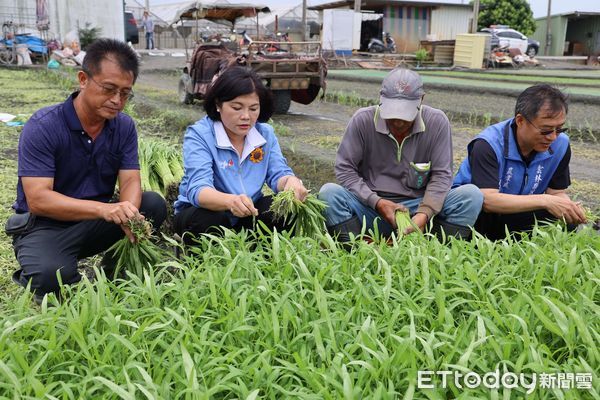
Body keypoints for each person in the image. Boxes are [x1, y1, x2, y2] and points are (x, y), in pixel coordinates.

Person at [7, 38, 167, 302]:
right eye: (108, 89)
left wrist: (128, 214)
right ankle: (39, 268)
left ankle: (113, 270)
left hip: (94, 222)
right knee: (51, 275)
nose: (117, 100)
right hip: (45, 226)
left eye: (125, 93)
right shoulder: (44, 126)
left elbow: (129, 181)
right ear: (83, 79)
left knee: (151, 205)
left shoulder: (123, 127)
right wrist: (105, 209)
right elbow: (38, 199)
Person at [318, 68, 483, 242]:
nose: (397, 122)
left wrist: (424, 213)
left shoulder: (437, 122)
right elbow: (345, 169)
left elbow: (442, 175)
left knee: (471, 196)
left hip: (418, 207)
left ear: (421, 100)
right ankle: (357, 250)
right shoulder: (363, 120)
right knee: (330, 193)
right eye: (392, 114)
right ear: (381, 99)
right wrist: (377, 202)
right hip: (370, 208)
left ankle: (440, 252)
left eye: (405, 115)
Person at [173, 66, 307, 243]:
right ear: (218, 104)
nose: (246, 116)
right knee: (210, 220)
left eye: (253, 109)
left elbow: (278, 174)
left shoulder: (264, 133)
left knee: (283, 208)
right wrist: (230, 202)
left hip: (247, 211)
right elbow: (198, 190)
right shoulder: (200, 135)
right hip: (205, 212)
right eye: (236, 108)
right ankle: (208, 267)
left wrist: (290, 182)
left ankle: (265, 262)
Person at [453, 84, 587, 240]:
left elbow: (556, 192)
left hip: (517, 212)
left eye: (559, 129)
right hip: (477, 214)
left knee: (565, 217)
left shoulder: (561, 145)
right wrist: (545, 200)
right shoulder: (488, 144)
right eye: (546, 130)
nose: (553, 137)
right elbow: (487, 200)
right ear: (520, 120)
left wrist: (568, 207)